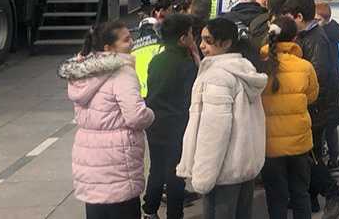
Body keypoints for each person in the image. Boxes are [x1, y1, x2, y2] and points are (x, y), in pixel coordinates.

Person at [59, 20, 154, 219]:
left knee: (97, 210)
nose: (132, 43)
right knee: (123, 208)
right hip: (118, 158)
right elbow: (136, 116)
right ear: (108, 48)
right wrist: (151, 114)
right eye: (126, 40)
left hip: (89, 154)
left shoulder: (82, 71)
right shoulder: (122, 72)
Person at [177, 18, 268, 219]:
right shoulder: (245, 70)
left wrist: (203, 177)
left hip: (222, 172)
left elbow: (214, 132)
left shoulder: (217, 77)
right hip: (245, 166)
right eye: (201, 39)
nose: (201, 46)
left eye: (208, 40)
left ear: (226, 43)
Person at [285, 0, 339, 218]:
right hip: (315, 108)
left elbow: (319, 79)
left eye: (289, 17)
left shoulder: (316, 39)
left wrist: (303, 100)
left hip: (317, 109)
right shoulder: (308, 35)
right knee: (309, 156)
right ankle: (310, 199)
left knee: (308, 157)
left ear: (300, 16)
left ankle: (334, 193)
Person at [259, 15, 320, 219]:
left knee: (275, 197)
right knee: (300, 194)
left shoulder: (260, 66)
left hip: (269, 144)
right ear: (294, 38)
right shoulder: (304, 67)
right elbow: (312, 97)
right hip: (299, 142)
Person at [143, 14, 198, 219]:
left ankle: (150, 209)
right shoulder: (187, 64)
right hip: (177, 124)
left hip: (155, 121)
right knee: (176, 172)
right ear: (183, 39)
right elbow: (189, 97)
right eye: (192, 34)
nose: (194, 38)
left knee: (156, 167)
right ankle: (175, 214)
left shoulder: (156, 60)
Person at [315, 1, 339, 173]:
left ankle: (330, 156)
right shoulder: (333, 33)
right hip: (333, 86)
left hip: (325, 86)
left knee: (325, 127)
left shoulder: (322, 37)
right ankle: (334, 157)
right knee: (331, 127)